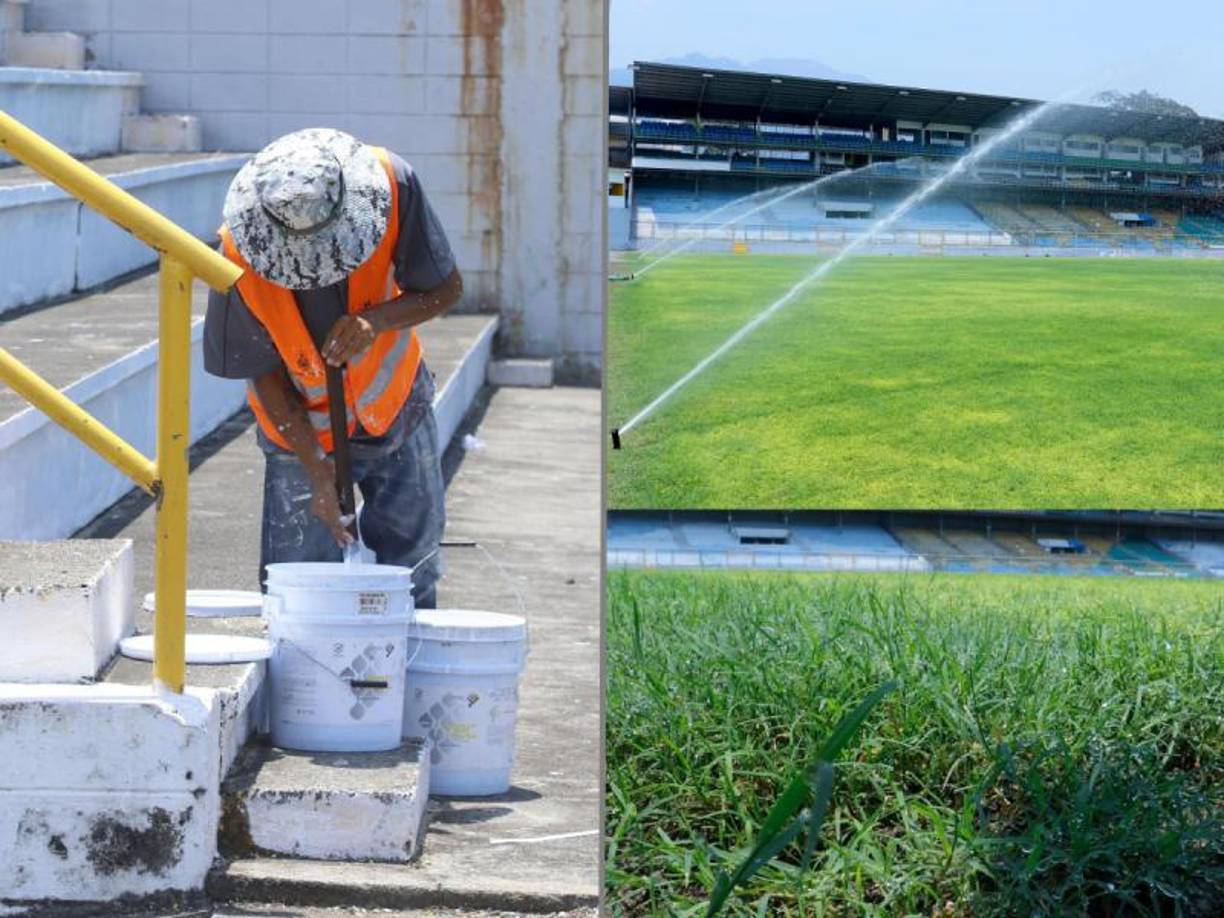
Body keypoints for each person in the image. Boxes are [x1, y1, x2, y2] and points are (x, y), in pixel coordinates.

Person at [203, 128, 462, 608]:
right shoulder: (238, 255)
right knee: (297, 593)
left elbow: (445, 289)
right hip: (300, 433)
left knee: (413, 576)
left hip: (397, 406)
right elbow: (261, 371)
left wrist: (376, 321)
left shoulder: (392, 183)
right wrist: (317, 472)